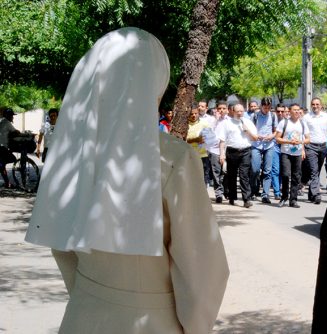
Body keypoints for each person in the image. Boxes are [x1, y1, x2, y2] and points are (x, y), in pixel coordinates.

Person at [24, 27, 229, 334]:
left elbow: (61, 243)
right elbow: (202, 272)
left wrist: (93, 294)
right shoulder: (173, 157)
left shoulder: (72, 150)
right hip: (151, 323)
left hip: (82, 313)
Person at [217, 103, 258, 208]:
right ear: (232, 111)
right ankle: (232, 196)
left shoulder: (248, 122)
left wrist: (247, 130)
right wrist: (222, 154)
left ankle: (246, 199)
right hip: (232, 151)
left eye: (241, 111)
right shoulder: (227, 123)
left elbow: (255, 138)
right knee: (232, 175)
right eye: (237, 111)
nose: (240, 113)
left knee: (244, 175)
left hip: (245, 151)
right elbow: (222, 140)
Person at [275, 103, 310, 208]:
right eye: (294, 110)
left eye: (298, 110)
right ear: (289, 111)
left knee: (296, 176)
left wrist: (300, 142)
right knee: (285, 174)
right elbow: (277, 138)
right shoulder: (284, 122)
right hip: (286, 152)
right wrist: (289, 142)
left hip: (298, 153)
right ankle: (284, 197)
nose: (297, 112)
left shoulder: (303, 124)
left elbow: (308, 139)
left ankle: (293, 200)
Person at [302, 97, 327, 204]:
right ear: (311, 105)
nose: (315, 106)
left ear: (321, 105)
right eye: (313, 104)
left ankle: (311, 193)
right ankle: (316, 195)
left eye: (317, 104)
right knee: (314, 170)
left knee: (317, 171)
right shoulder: (306, 117)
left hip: (323, 146)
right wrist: (303, 148)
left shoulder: (325, 116)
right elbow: (303, 134)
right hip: (310, 146)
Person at [249, 96, 277, 203]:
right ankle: (253, 190)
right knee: (255, 169)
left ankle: (265, 195)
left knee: (267, 171)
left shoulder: (273, 116)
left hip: (269, 145)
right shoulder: (254, 115)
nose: (266, 109)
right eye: (265, 107)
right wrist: (255, 135)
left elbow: (276, 131)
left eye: (268, 107)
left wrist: (272, 136)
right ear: (261, 106)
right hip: (256, 144)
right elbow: (248, 130)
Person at [187, 104, 211, 187]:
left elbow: (211, 137)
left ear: (198, 113)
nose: (194, 115)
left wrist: (207, 139)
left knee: (204, 177)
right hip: (189, 155)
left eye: (195, 113)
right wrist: (196, 139)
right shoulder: (185, 125)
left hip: (203, 155)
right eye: (191, 114)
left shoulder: (204, 123)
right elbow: (183, 140)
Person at [0, 108, 20, 188]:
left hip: (1, 147)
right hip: (1, 147)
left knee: (2, 165)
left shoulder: (2, 121)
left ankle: (7, 183)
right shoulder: (7, 123)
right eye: (11, 115)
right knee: (12, 158)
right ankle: (7, 183)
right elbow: (16, 132)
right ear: (7, 116)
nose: (13, 117)